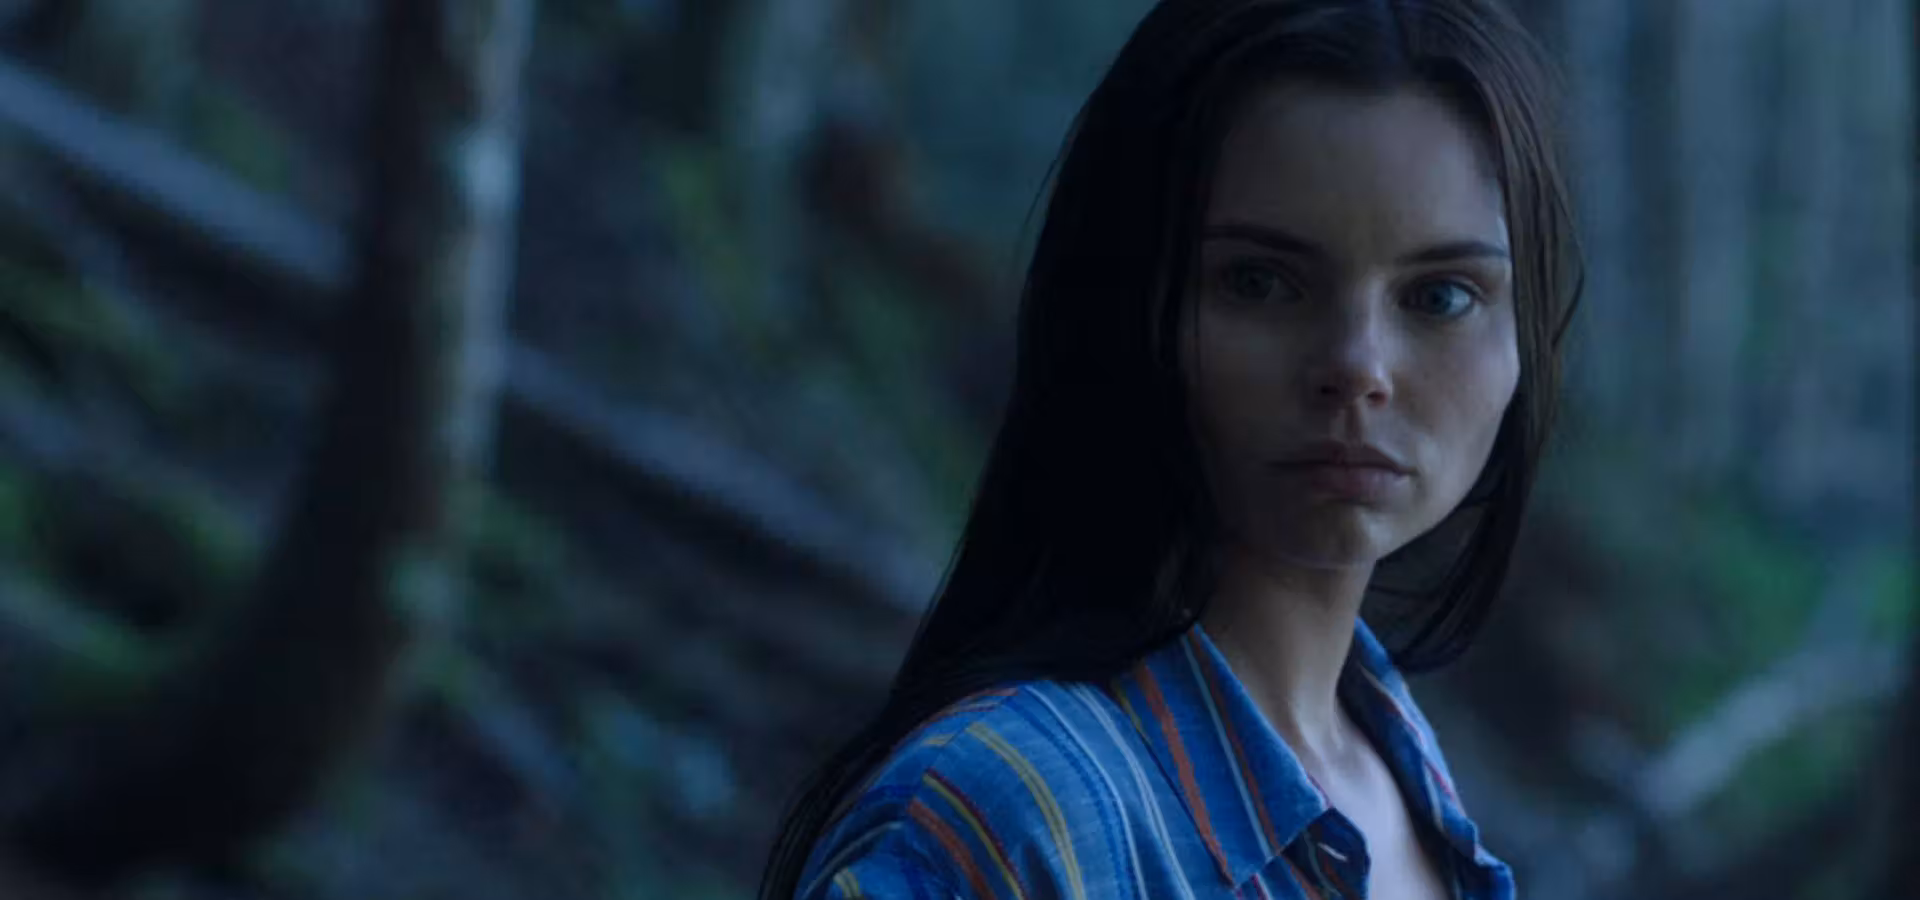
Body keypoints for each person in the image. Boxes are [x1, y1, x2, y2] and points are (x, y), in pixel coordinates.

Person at [763, 0, 1581, 896]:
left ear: (1525, 337)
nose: (1358, 367)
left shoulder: (1399, 772)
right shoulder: (1001, 823)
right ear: (1128, 305)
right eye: (1260, 282)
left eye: (1441, 296)